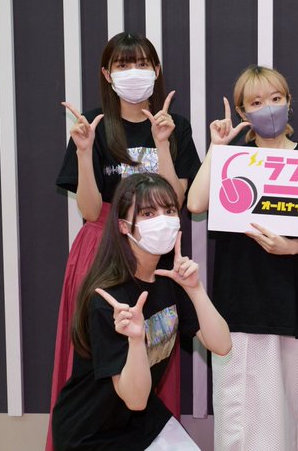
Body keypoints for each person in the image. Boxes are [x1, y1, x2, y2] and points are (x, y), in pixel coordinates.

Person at [49, 32, 200, 449]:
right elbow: (89, 209)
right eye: (122, 64)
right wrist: (84, 153)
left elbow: (176, 200)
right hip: (102, 247)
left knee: (152, 347)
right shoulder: (94, 125)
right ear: (107, 74)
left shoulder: (174, 125)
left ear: (156, 71)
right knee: (101, 351)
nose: (133, 72)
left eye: (142, 63)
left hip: (153, 251)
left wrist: (163, 144)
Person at [187, 65, 298, 451]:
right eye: (255, 102)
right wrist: (217, 149)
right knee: (238, 424)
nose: (268, 107)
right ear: (242, 112)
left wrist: (293, 247)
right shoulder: (232, 160)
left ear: (288, 102)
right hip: (239, 309)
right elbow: (195, 203)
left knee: (286, 420)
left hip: (292, 307)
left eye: (275, 98)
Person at [51, 173, 231, 450]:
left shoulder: (170, 278)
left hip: (141, 420)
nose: (163, 220)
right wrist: (136, 340)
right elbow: (134, 398)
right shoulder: (108, 298)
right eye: (148, 213)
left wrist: (195, 289)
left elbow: (222, 345)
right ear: (124, 226)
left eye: (169, 210)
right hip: (90, 432)